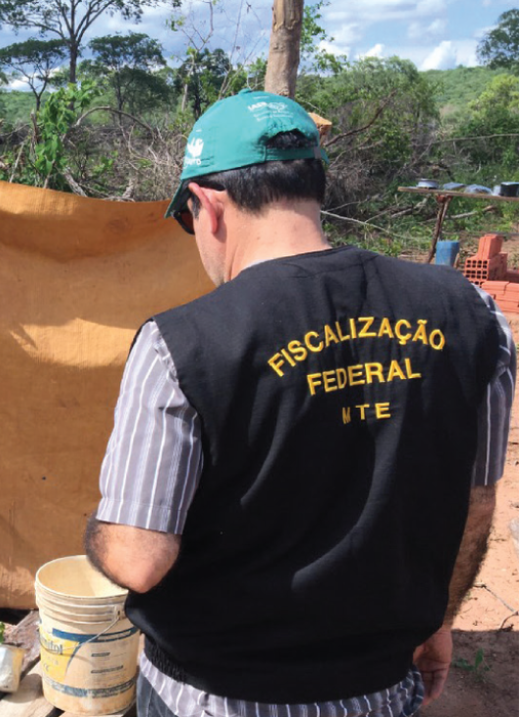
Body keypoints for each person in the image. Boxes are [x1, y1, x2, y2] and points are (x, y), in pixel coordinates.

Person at [83, 89, 516, 717]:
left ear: (208, 205)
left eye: (186, 220)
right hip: (380, 687)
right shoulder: (471, 313)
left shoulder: (181, 345)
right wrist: (437, 619)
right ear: (312, 185)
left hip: (213, 697)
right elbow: (475, 504)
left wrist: (98, 531)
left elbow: (138, 558)